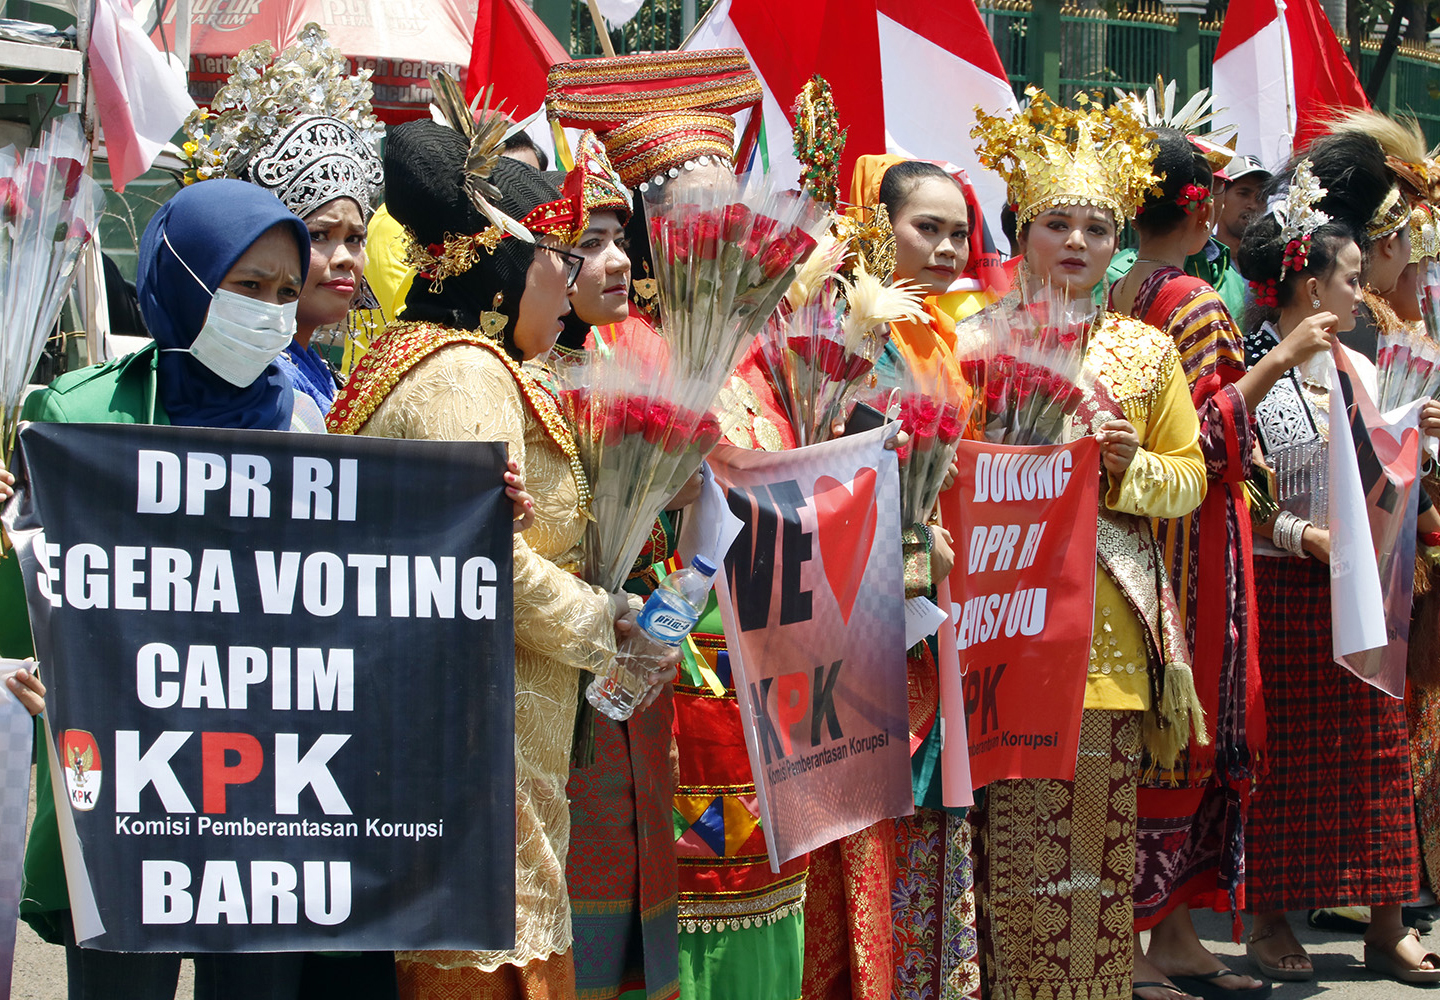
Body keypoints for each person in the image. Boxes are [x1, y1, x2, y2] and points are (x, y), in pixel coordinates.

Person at [326, 114, 664, 998]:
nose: (574, 277)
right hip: (476, 750)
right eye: (561, 254)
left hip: (490, 742)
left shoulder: (449, 357)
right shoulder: (462, 375)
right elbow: (481, 567)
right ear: (506, 261)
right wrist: (609, 622)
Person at [19, 178, 312, 999]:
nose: (271, 311)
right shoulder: (79, 417)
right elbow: (25, 616)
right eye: (248, 285)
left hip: (265, 783)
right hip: (125, 781)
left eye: (285, 292)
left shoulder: (303, 423)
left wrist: (481, 510)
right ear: (185, 277)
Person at [970, 89, 1208, 1000]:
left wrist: (1128, 467)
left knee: (1086, 875)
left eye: (1098, 228)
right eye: (1057, 224)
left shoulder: (1146, 355)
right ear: (1022, 230)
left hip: (1102, 642)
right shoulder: (969, 342)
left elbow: (1189, 479)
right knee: (986, 866)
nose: (1077, 242)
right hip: (993, 633)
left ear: (1119, 244)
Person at [1109, 127, 1308, 1000]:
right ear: (1202, 205)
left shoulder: (1127, 286)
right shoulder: (1194, 301)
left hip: (1151, 526)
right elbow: (1212, 434)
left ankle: (1175, 931)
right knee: (1187, 719)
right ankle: (1144, 932)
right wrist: (1282, 364)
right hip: (1193, 535)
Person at [1238, 155, 1439, 984]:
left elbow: (1387, 476)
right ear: (1310, 283)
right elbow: (1232, 476)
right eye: (1350, 279)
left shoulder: (1360, 367)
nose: (1360, 293)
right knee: (1280, 758)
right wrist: (1299, 534)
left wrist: (1416, 432)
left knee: (1377, 754)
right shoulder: (1252, 367)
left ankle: (1387, 924)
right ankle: (1267, 921)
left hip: (1361, 587)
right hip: (1283, 590)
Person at [849, 153, 978, 1000]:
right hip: (870, 607)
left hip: (931, 602)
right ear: (877, 225)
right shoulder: (855, 332)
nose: (946, 249)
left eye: (958, 233)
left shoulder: (937, 334)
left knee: (928, 808)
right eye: (925, 228)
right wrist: (915, 550)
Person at [179, 23, 385, 418]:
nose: (345, 258)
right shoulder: (256, 380)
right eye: (319, 235)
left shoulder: (312, 368)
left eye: (355, 239)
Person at [1214, 155, 1271, 267]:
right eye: (1243, 194)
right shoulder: (1196, 260)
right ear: (1221, 196)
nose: (1254, 205)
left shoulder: (1273, 266)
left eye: (1262, 198)